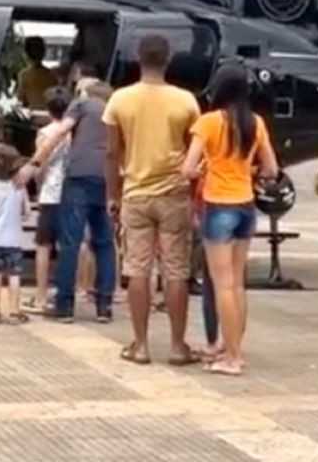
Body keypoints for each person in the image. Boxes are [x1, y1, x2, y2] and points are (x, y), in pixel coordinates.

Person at [104, 35, 201, 365]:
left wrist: (113, 194)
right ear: (169, 58)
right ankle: (177, 345)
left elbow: (112, 151)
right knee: (176, 269)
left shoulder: (120, 100)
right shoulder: (186, 101)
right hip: (174, 192)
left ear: (137, 57)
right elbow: (194, 150)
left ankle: (141, 344)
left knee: (137, 269)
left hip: (136, 192)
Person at [182, 61, 278, 375]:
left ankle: (231, 357)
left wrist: (203, 171)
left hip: (217, 204)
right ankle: (234, 347)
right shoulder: (256, 123)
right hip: (245, 205)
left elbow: (187, 168)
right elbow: (271, 170)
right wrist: (248, 170)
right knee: (237, 284)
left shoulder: (208, 123)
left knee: (222, 284)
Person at [18, 78, 116, 321]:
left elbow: (60, 132)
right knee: (104, 242)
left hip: (79, 177)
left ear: (85, 92)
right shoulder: (116, 108)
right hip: (106, 178)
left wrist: (34, 163)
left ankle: (64, 304)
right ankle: (104, 305)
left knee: (70, 241)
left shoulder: (81, 105)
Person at [29, 86, 71, 312]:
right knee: (68, 245)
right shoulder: (76, 132)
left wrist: (37, 184)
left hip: (50, 191)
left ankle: (40, 296)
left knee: (43, 245)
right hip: (71, 192)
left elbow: (41, 166)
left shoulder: (45, 133)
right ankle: (64, 292)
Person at [0, 143, 31, 323]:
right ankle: (15, 312)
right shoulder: (19, 186)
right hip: (13, 240)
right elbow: (27, 212)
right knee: (14, 276)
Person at [16, 37, 58, 110]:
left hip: (33, 116)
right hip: (50, 115)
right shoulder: (52, 75)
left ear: (26, 54)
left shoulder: (24, 75)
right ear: (43, 53)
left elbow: (22, 100)